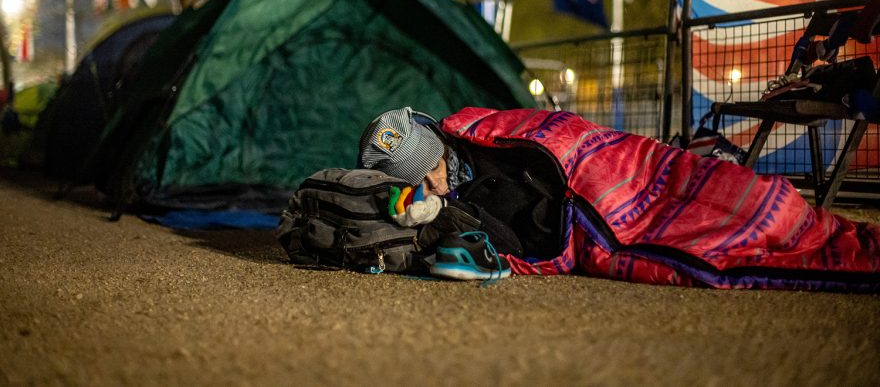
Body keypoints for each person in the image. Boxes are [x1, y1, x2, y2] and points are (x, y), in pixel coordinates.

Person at [359, 106, 880, 292]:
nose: (432, 184)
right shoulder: (452, 203)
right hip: (576, 214)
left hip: (624, 173)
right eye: (417, 182)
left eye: (430, 166)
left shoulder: (480, 133)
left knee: (765, 204)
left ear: (439, 139)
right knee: (725, 238)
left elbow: (568, 138)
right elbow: (534, 242)